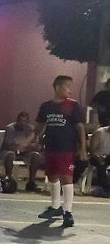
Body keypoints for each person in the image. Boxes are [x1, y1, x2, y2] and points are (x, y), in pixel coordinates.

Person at [36, 75, 87, 227]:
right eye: (67, 87)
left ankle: (68, 212)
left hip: (67, 147)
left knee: (66, 177)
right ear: (58, 87)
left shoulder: (73, 105)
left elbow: (80, 128)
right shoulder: (46, 106)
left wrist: (83, 148)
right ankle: (55, 206)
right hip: (51, 146)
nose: (70, 90)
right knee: (52, 176)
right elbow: (40, 126)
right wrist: (34, 140)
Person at [0, 111, 41, 192]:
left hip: (25, 152)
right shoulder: (10, 128)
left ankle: (31, 182)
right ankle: (8, 180)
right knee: (10, 154)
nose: (22, 123)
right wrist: (22, 147)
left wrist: (25, 147)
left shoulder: (31, 129)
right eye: (20, 121)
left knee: (35, 155)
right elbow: (8, 145)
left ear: (27, 122)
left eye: (25, 121)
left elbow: (35, 145)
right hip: (9, 151)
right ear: (17, 120)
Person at [88, 123, 110, 192]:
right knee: (101, 165)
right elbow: (92, 150)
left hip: (108, 157)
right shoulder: (99, 132)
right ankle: (106, 188)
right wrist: (99, 158)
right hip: (96, 156)